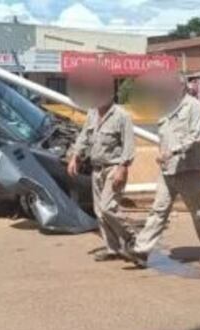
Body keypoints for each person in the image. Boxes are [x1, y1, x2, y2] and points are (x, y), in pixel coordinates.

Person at [125, 71, 200, 268]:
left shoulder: (194, 107)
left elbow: (195, 136)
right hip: (168, 170)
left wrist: (172, 152)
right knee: (158, 210)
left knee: (197, 212)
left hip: (189, 169)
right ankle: (141, 251)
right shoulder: (165, 108)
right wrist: (165, 156)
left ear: (182, 86)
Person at [66, 66, 136, 262]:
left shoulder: (121, 116)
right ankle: (112, 248)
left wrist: (123, 168)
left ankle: (133, 238)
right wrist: (75, 157)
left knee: (108, 207)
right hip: (97, 169)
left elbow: (129, 146)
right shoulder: (92, 113)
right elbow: (84, 137)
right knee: (99, 212)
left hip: (114, 168)